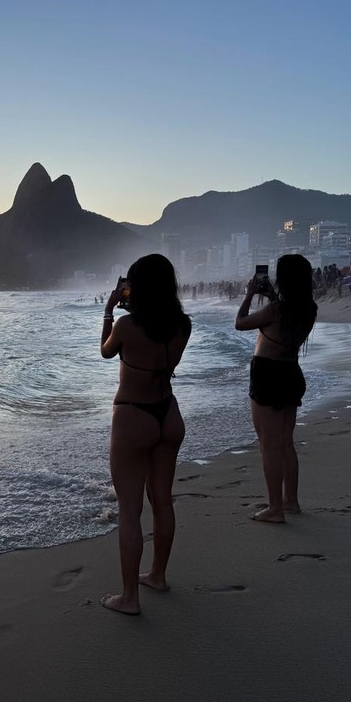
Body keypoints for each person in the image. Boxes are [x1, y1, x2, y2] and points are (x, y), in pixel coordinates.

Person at [99, 254, 191, 615]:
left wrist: (109, 310)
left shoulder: (126, 325)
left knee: (129, 510)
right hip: (168, 414)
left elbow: (106, 352)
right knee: (163, 501)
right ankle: (157, 576)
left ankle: (129, 598)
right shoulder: (182, 325)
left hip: (133, 415)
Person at [235, 255, 317, 523]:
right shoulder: (308, 308)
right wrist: (271, 296)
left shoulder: (276, 310)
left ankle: (274, 509)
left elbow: (240, 322)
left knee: (268, 445)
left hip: (267, 374)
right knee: (285, 444)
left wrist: (249, 294)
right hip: (291, 372)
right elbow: (285, 322)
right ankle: (290, 501)